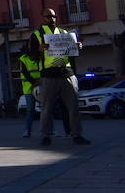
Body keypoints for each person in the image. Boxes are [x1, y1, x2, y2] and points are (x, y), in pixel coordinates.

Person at [33, 8, 90, 146]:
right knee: (47, 108)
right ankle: (46, 136)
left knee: (73, 107)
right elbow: (32, 54)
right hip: (48, 76)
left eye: (53, 16)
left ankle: (77, 135)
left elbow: (71, 52)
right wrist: (39, 49)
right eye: (48, 16)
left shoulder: (64, 33)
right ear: (43, 18)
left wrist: (78, 46)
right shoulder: (37, 34)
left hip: (66, 74)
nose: (51, 19)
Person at [18, 42, 43, 138]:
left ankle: (50, 130)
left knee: (46, 109)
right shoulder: (23, 59)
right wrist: (34, 83)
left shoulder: (40, 57)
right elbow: (25, 73)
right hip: (29, 88)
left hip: (41, 86)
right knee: (30, 110)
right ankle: (28, 131)